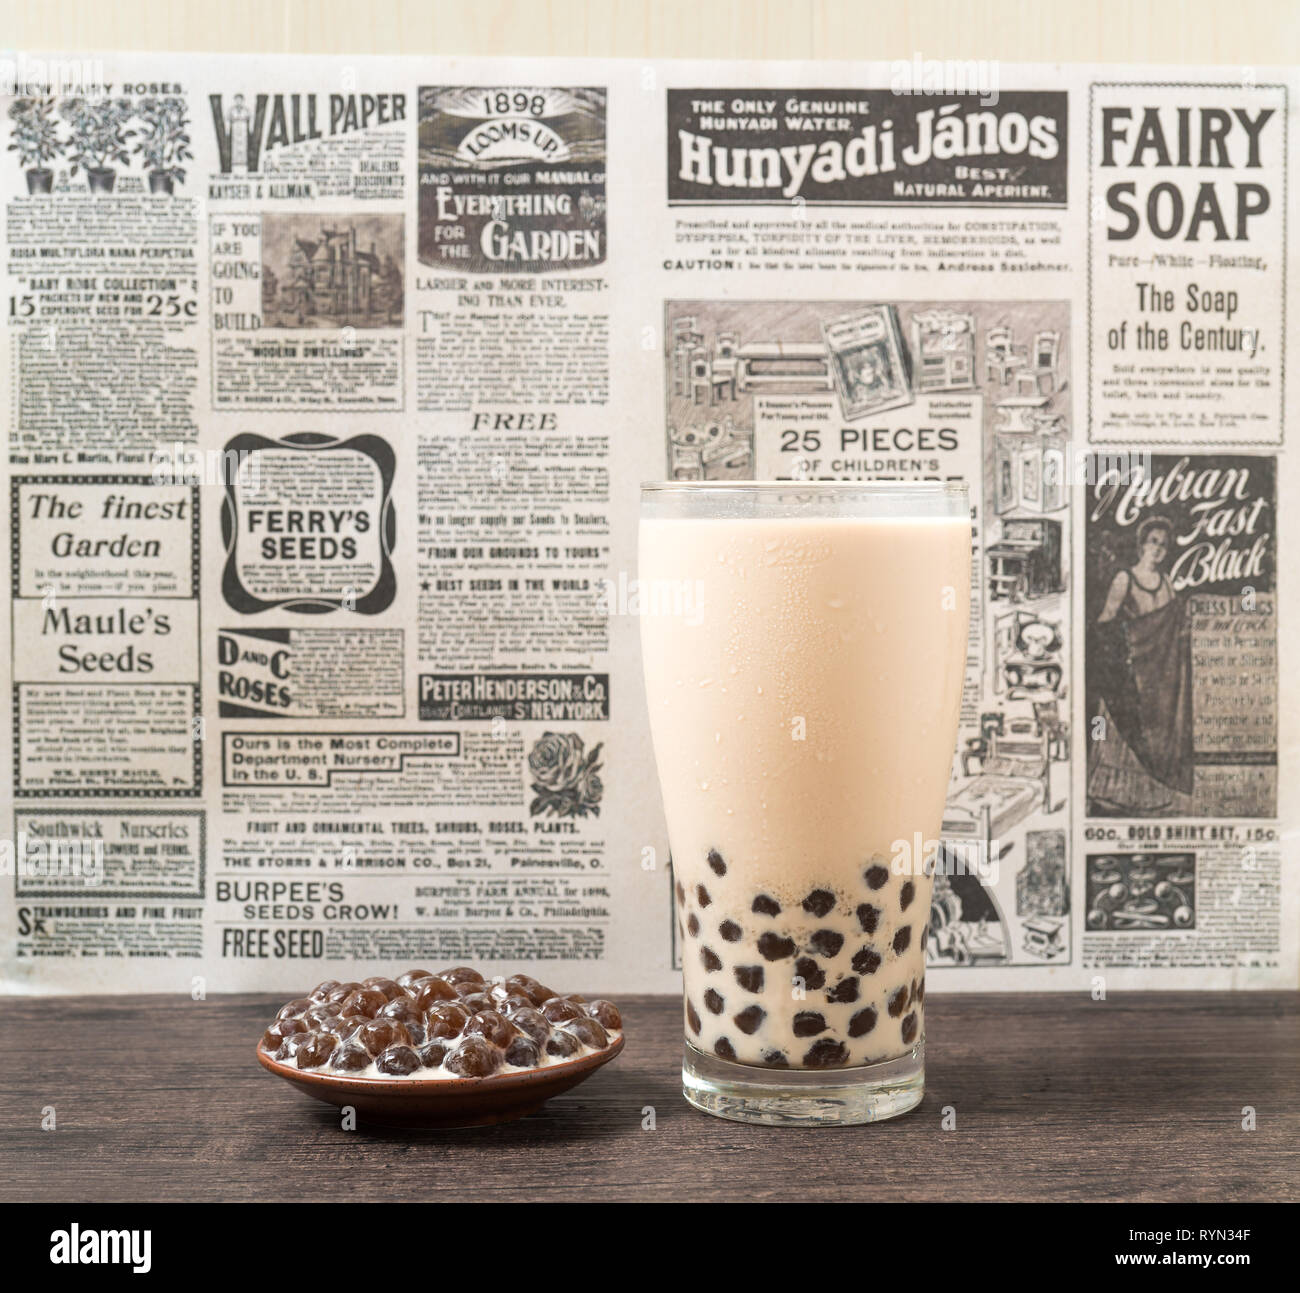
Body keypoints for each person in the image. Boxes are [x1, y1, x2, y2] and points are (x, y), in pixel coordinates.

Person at [1087, 516, 1195, 815]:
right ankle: (1112, 793)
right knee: (1121, 732)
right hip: (1130, 670)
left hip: (1157, 675)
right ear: (1141, 545)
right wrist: (1125, 648)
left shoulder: (1167, 584)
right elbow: (1105, 622)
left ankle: (1150, 793)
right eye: (1153, 542)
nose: (1158, 549)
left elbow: (1171, 627)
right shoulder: (1125, 579)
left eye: (1164, 544)